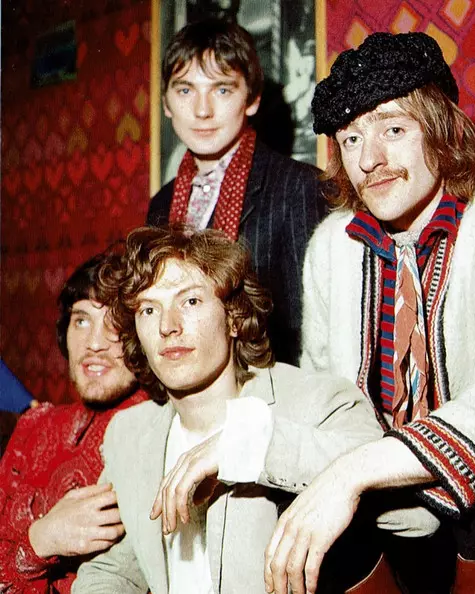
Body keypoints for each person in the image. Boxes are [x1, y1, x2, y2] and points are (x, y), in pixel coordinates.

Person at [263, 32, 475, 594]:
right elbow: (324, 403)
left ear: (440, 128)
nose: (370, 160)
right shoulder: (332, 246)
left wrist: (352, 473)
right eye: (351, 138)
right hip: (387, 512)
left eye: (393, 129)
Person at [72, 226, 383, 593]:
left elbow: (415, 514)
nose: (168, 327)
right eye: (149, 309)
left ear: (234, 317)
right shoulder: (129, 435)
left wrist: (248, 447)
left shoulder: (314, 401)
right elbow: (113, 570)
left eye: (190, 301)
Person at [147, 19, 325, 366]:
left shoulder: (298, 188)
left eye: (222, 90)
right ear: (166, 102)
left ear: (252, 99)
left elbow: (311, 336)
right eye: (185, 91)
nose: (202, 110)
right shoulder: (162, 204)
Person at [0, 251, 146, 593]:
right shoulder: (35, 424)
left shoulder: (155, 432)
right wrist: (42, 539)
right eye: (81, 320)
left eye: (116, 323)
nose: (94, 343)